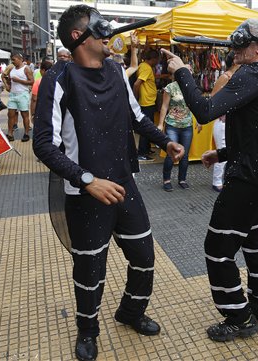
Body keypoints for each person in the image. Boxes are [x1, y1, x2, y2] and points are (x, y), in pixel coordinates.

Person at [32, 5, 184, 360]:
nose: (109, 33)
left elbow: (137, 119)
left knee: (144, 258)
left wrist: (165, 141)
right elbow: (43, 144)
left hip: (124, 186)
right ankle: (88, 332)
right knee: (90, 271)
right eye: (100, 26)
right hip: (86, 194)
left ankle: (130, 312)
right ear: (77, 36)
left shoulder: (116, 71)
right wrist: (87, 181)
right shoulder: (60, 78)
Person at [162, 18, 258, 342]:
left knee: (218, 247)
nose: (236, 49)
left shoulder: (250, 74)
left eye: (242, 43)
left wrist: (182, 71)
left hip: (247, 180)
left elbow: (204, 110)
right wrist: (222, 154)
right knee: (252, 240)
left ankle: (239, 316)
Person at [157, 64, 194, 191]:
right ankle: (166, 179)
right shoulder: (170, 87)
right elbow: (164, 107)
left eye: (190, 71)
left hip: (187, 125)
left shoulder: (192, 88)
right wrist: (160, 124)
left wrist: (199, 121)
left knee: (185, 155)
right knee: (171, 152)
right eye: (186, 70)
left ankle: (182, 179)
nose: (188, 73)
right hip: (172, 124)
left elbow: (195, 106)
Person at [210, 51, 239, 193]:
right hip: (222, 121)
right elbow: (213, 98)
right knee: (222, 150)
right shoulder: (225, 77)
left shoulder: (239, 77)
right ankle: (217, 181)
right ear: (234, 60)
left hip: (234, 121)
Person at [133, 49, 159, 161]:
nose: (157, 62)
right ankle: (142, 153)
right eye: (157, 59)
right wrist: (135, 98)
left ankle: (147, 148)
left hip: (148, 101)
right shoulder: (146, 68)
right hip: (146, 102)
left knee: (149, 125)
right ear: (152, 59)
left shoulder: (144, 66)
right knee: (146, 127)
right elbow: (137, 84)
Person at [4, 53, 34, 142]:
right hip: (13, 94)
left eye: (14, 59)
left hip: (22, 94)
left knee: (24, 114)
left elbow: (32, 81)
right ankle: (10, 134)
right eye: (12, 60)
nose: (12, 61)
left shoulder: (26, 68)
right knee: (10, 114)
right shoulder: (12, 69)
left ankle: (26, 133)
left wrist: (19, 80)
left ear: (20, 59)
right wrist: (8, 83)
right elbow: (10, 80)